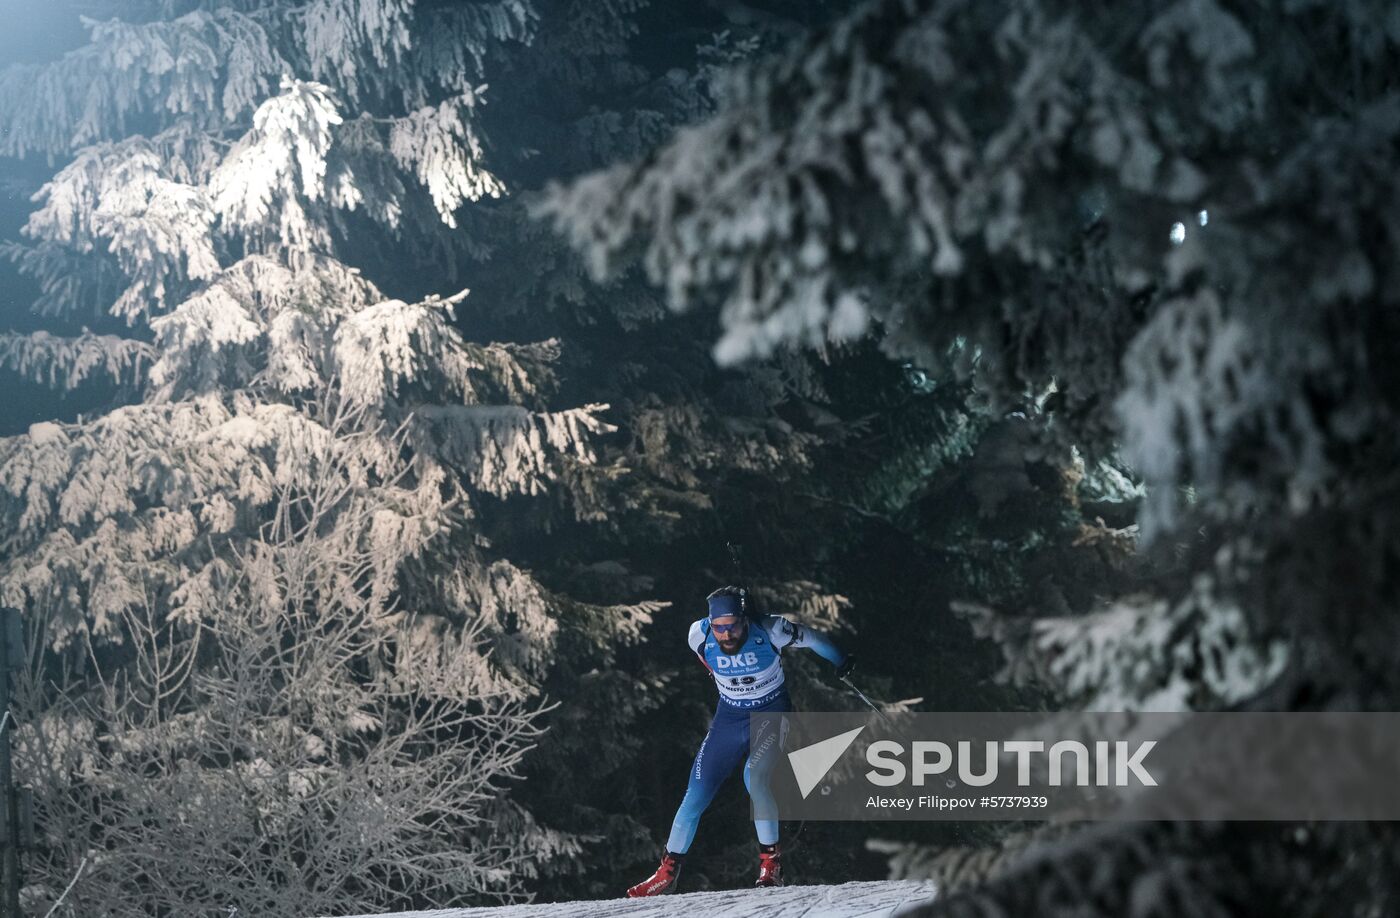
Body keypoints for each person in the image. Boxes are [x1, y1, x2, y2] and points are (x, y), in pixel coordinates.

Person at [626, 585, 854, 896]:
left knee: (754, 777)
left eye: (732, 626)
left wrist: (841, 660)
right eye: (719, 628)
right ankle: (666, 873)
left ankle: (770, 865)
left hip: (771, 713)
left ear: (744, 620)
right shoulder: (698, 634)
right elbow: (706, 659)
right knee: (696, 792)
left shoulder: (771, 629)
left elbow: (812, 638)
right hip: (729, 718)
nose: (726, 634)